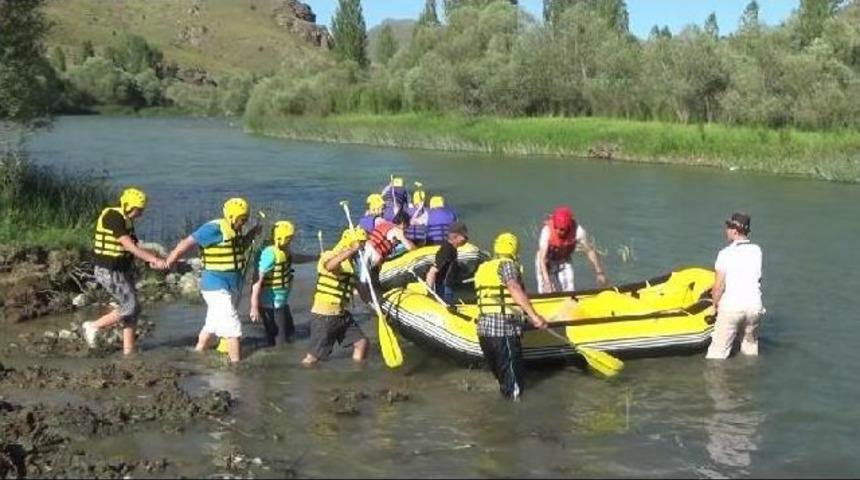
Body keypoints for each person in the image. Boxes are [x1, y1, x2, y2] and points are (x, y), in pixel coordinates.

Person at [165, 197, 261, 364]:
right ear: (231, 216)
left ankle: (197, 354)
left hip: (229, 285)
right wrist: (170, 260)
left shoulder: (234, 230)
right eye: (242, 219)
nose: (243, 223)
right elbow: (187, 242)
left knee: (212, 324)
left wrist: (252, 233)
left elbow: (238, 247)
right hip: (215, 286)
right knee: (233, 327)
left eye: (246, 219)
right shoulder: (213, 229)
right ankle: (237, 365)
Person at [83, 187, 167, 355]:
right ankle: (93, 326)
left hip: (122, 269)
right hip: (108, 269)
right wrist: (153, 259)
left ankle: (129, 350)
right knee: (130, 306)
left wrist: (154, 260)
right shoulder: (113, 217)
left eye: (142, 210)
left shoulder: (127, 220)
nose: (141, 213)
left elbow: (135, 247)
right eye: (138, 210)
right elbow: (127, 245)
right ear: (128, 205)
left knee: (133, 310)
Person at [474, 232, 548, 400]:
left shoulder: (483, 268)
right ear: (515, 250)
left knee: (503, 381)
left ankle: (500, 420)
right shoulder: (507, 265)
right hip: (504, 330)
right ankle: (515, 419)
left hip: (484, 331)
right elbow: (514, 287)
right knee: (514, 387)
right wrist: (534, 316)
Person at [302, 227, 370, 365]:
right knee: (313, 358)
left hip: (341, 315)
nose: (361, 250)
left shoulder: (352, 265)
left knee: (361, 343)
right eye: (360, 245)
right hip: (324, 315)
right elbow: (330, 266)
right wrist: (351, 250)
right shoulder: (329, 255)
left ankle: (356, 375)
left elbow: (362, 291)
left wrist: (377, 304)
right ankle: (309, 380)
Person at [706, 212, 764, 360]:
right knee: (750, 349)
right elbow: (758, 278)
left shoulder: (724, 254)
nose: (726, 230)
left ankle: (716, 382)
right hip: (754, 307)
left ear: (735, 231)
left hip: (732, 307)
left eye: (728, 227)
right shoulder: (757, 250)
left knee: (716, 356)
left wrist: (714, 305)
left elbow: (718, 286)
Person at [248, 220, 315, 347]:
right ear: (281, 238)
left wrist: (315, 257)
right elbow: (257, 280)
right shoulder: (270, 254)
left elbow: (295, 258)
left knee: (290, 332)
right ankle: (274, 361)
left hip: (281, 302)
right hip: (271, 303)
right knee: (280, 339)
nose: (291, 240)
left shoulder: (284, 249)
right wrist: (254, 306)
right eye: (289, 238)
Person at [535, 205, 607, 293]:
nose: (558, 231)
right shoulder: (547, 231)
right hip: (546, 262)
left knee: (569, 291)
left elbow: (589, 251)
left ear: (568, 226)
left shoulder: (578, 232)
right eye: (556, 227)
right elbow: (542, 259)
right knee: (547, 291)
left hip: (563, 261)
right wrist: (547, 282)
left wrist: (599, 272)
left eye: (562, 229)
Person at [425, 221, 469, 305]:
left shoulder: (452, 248)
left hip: (448, 284)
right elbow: (432, 271)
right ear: (455, 236)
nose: (466, 239)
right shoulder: (447, 251)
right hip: (444, 288)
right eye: (464, 236)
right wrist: (430, 292)